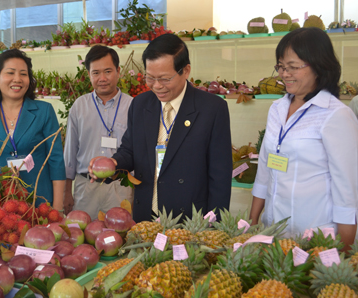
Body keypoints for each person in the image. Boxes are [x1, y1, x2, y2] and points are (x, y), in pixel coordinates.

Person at [89, 33, 233, 222]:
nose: (157, 86)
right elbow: (129, 150)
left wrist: (214, 227)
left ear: (186, 70)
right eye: (150, 78)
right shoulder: (141, 104)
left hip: (189, 221)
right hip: (146, 218)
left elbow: (220, 177)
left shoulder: (211, 109)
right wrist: (113, 164)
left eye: (165, 79)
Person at [249, 27, 358, 249]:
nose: (284, 74)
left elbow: (346, 190)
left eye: (293, 67)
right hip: (274, 230)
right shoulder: (277, 108)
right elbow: (264, 170)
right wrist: (253, 220)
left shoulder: (336, 115)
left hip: (315, 236)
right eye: (280, 66)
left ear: (319, 66)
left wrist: (346, 252)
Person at [0, 49, 66, 210]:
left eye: (23, 74)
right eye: (10, 73)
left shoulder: (44, 111)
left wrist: (57, 208)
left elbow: (56, 160)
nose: (17, 79)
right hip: (1, 203)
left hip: (40, 200)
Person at [63, 45, 134, 219]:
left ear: (118, 71)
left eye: (108, 71)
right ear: (88, 74)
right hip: (86, 187)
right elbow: (70, 151)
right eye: (95, 73)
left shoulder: (132, 106)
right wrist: (66, 191)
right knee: (83, 238)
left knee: (122, 237)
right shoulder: (79, 106)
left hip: (121, 188)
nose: (102, 78)